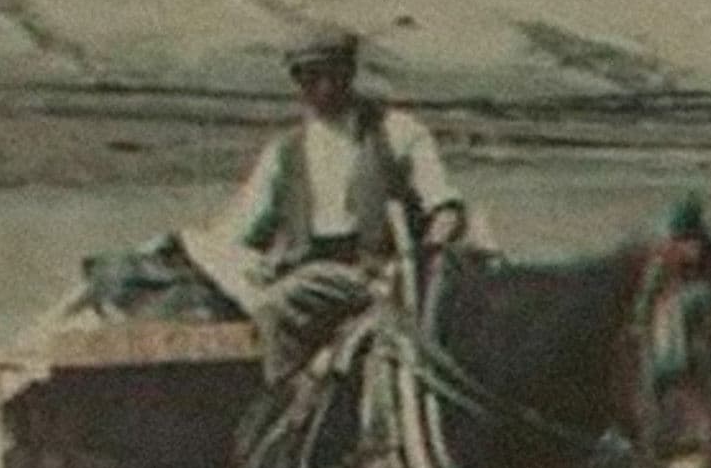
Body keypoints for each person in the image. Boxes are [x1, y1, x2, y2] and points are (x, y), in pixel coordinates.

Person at [185, 24, 495, 384]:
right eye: (309, 77)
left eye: (332, 74)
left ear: (350, 73)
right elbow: (238, 230)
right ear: (297, 81)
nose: (323, 87)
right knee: (264, 295)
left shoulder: (399, 132)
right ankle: (294, 396)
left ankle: (288, 396)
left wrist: (423, 255)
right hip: (314, 272)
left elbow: (445, 209)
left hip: (385, 274)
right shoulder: (284, 152)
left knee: (278, 303)